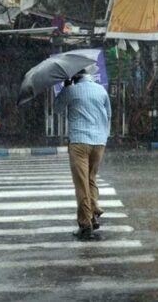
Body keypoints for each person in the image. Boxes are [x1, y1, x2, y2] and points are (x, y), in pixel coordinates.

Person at [54, 66, 111, 241]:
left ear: (74, 77)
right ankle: (94, 213)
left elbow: (56, 108)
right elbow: (108, 115)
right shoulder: (101, 90)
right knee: (91, 179)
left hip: (79, 141)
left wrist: (66, 86)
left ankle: (85, 224)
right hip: (99, 142)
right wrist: (103, 136)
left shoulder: (71, 90)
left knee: (81, 183)